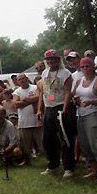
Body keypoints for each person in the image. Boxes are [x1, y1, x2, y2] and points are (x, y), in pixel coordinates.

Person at [36, 49, 75, 178]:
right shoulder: (45, 73)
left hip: (61, 107)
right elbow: (43, 92)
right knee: (47, 139)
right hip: (49, 108)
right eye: (48, 59)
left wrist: (64, 108)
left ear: (58, 60)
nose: (51, 61)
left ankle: (69, 167)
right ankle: (53, 165)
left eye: (53, 59)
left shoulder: (65, 73)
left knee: (65, 138)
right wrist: (39, 109)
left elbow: (68, 92)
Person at [72, 57, 97, 182]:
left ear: (93, 67)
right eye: (82, 67)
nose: (85, 69)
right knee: (85, 144)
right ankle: (94, 170)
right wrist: (76, 100)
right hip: (81, 115)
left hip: (95, 114)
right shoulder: (79, 81)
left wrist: (92, 101)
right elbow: (74, 95)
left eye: (87, 66)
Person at [12, 73, 41, 165]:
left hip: (37, 120)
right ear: (17, 82)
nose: (22, 81)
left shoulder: (35, 87)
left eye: (23, 78)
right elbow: (16, 104)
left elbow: (39, 97)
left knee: (42, 143)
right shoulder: (17, 92)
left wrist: (24, 99)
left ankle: (50, 160)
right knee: (25, 144)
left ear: (27, 78)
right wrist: (32, 100)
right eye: (19, 79)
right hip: (24, 122)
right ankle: (27, 161)